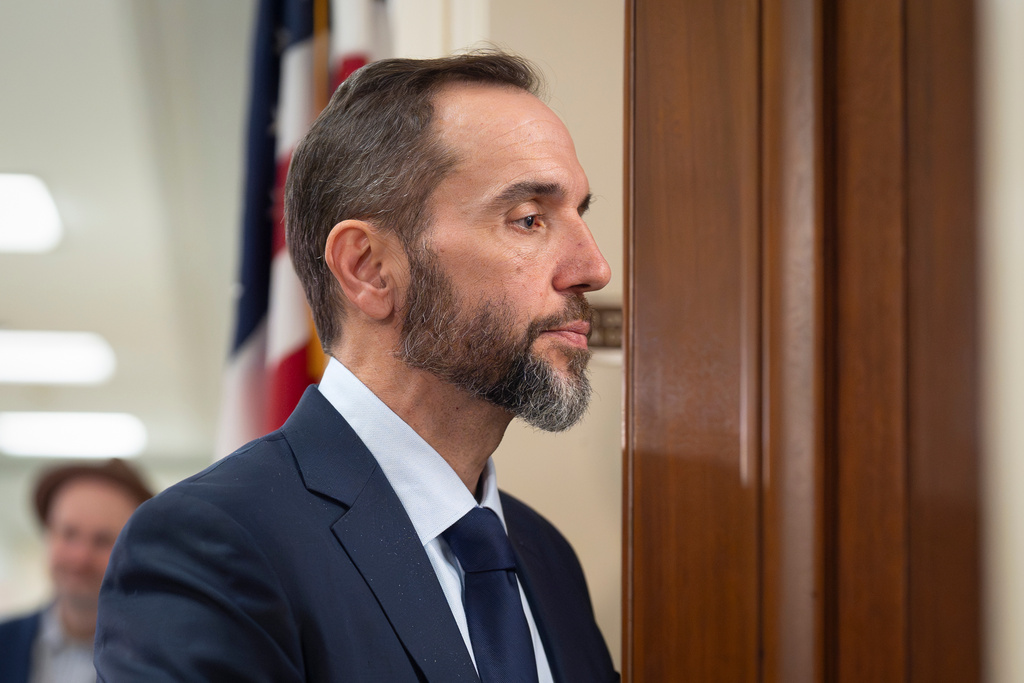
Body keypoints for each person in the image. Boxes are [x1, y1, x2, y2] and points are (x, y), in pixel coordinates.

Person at [95, 52, 619, 682]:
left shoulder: (545, 557)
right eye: (529, 219)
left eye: (578, 215)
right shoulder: (212, 546)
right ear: (368, 268)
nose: (593, 268)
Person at [0, 458, 153, 683]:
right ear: (48, 535)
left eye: (103, 540)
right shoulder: (4, 643)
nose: (80, 557)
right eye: (69, 533)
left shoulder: (160, 662)